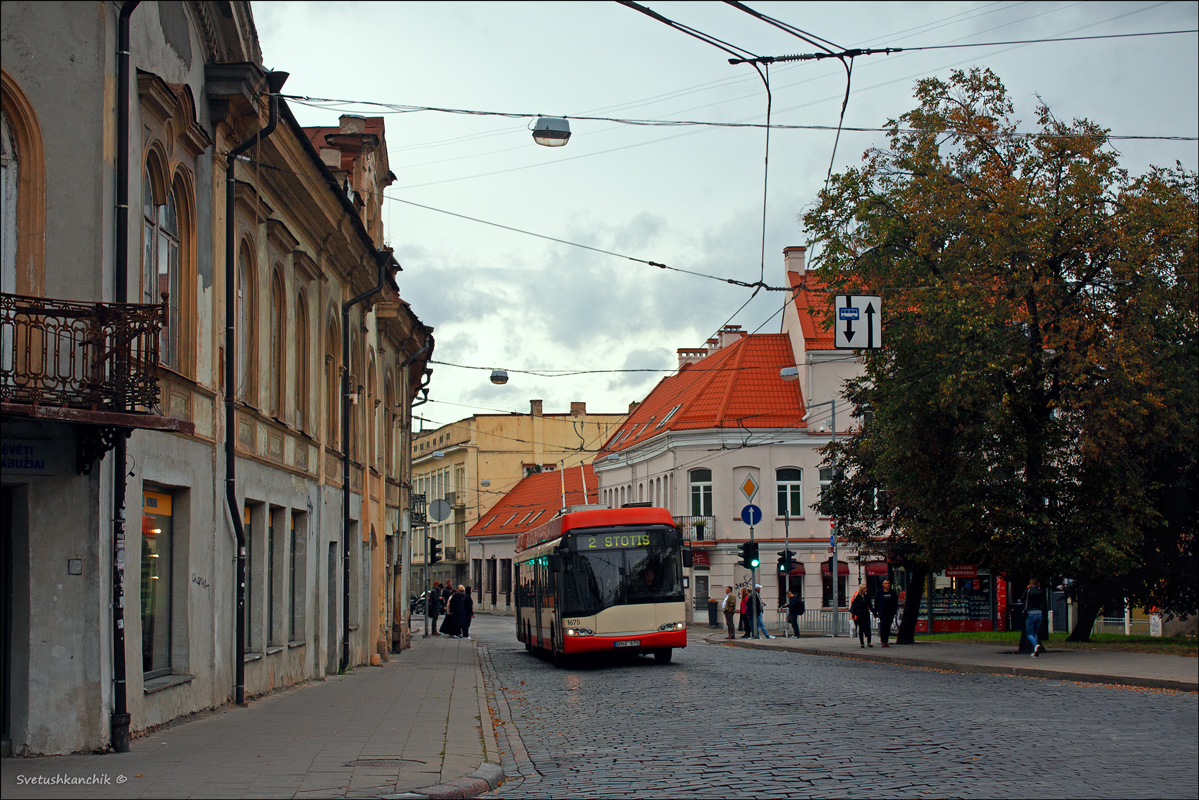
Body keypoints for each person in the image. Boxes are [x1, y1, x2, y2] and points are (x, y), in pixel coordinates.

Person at [1023, 577, 1046, 658]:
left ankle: (1036, 645)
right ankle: (1034, 652)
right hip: (1039, 613)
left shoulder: (1028, 591)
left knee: (1029, 634)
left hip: (1030, 613)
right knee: (1035, 633)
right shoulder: (1041, 592)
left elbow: (1023, 599)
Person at [874, 579, 899, 647]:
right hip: (882, 612)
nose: (887, 585)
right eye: (886, 583)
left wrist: (894, 610)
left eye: (888, 583)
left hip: (890, 612)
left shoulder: (893, 592)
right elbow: (876, 603)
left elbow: (895, 602)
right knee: (883, 625)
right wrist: (875, 612)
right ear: (883, 585)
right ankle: (883, 641)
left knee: (888, 626)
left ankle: (886, 640)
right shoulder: (879, 593)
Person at [850, 583, 873, 647]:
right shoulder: (857, 597)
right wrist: (854, 614)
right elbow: (853, 606)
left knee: (868, 628)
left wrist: (874, 612)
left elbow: (870, 605)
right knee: (861, 629)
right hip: (860, 614)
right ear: (862, 589)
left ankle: (869, 642)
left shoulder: (867, 597)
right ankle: (862, 642)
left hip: (866, 614)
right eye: (865, 588)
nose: (866, 589)